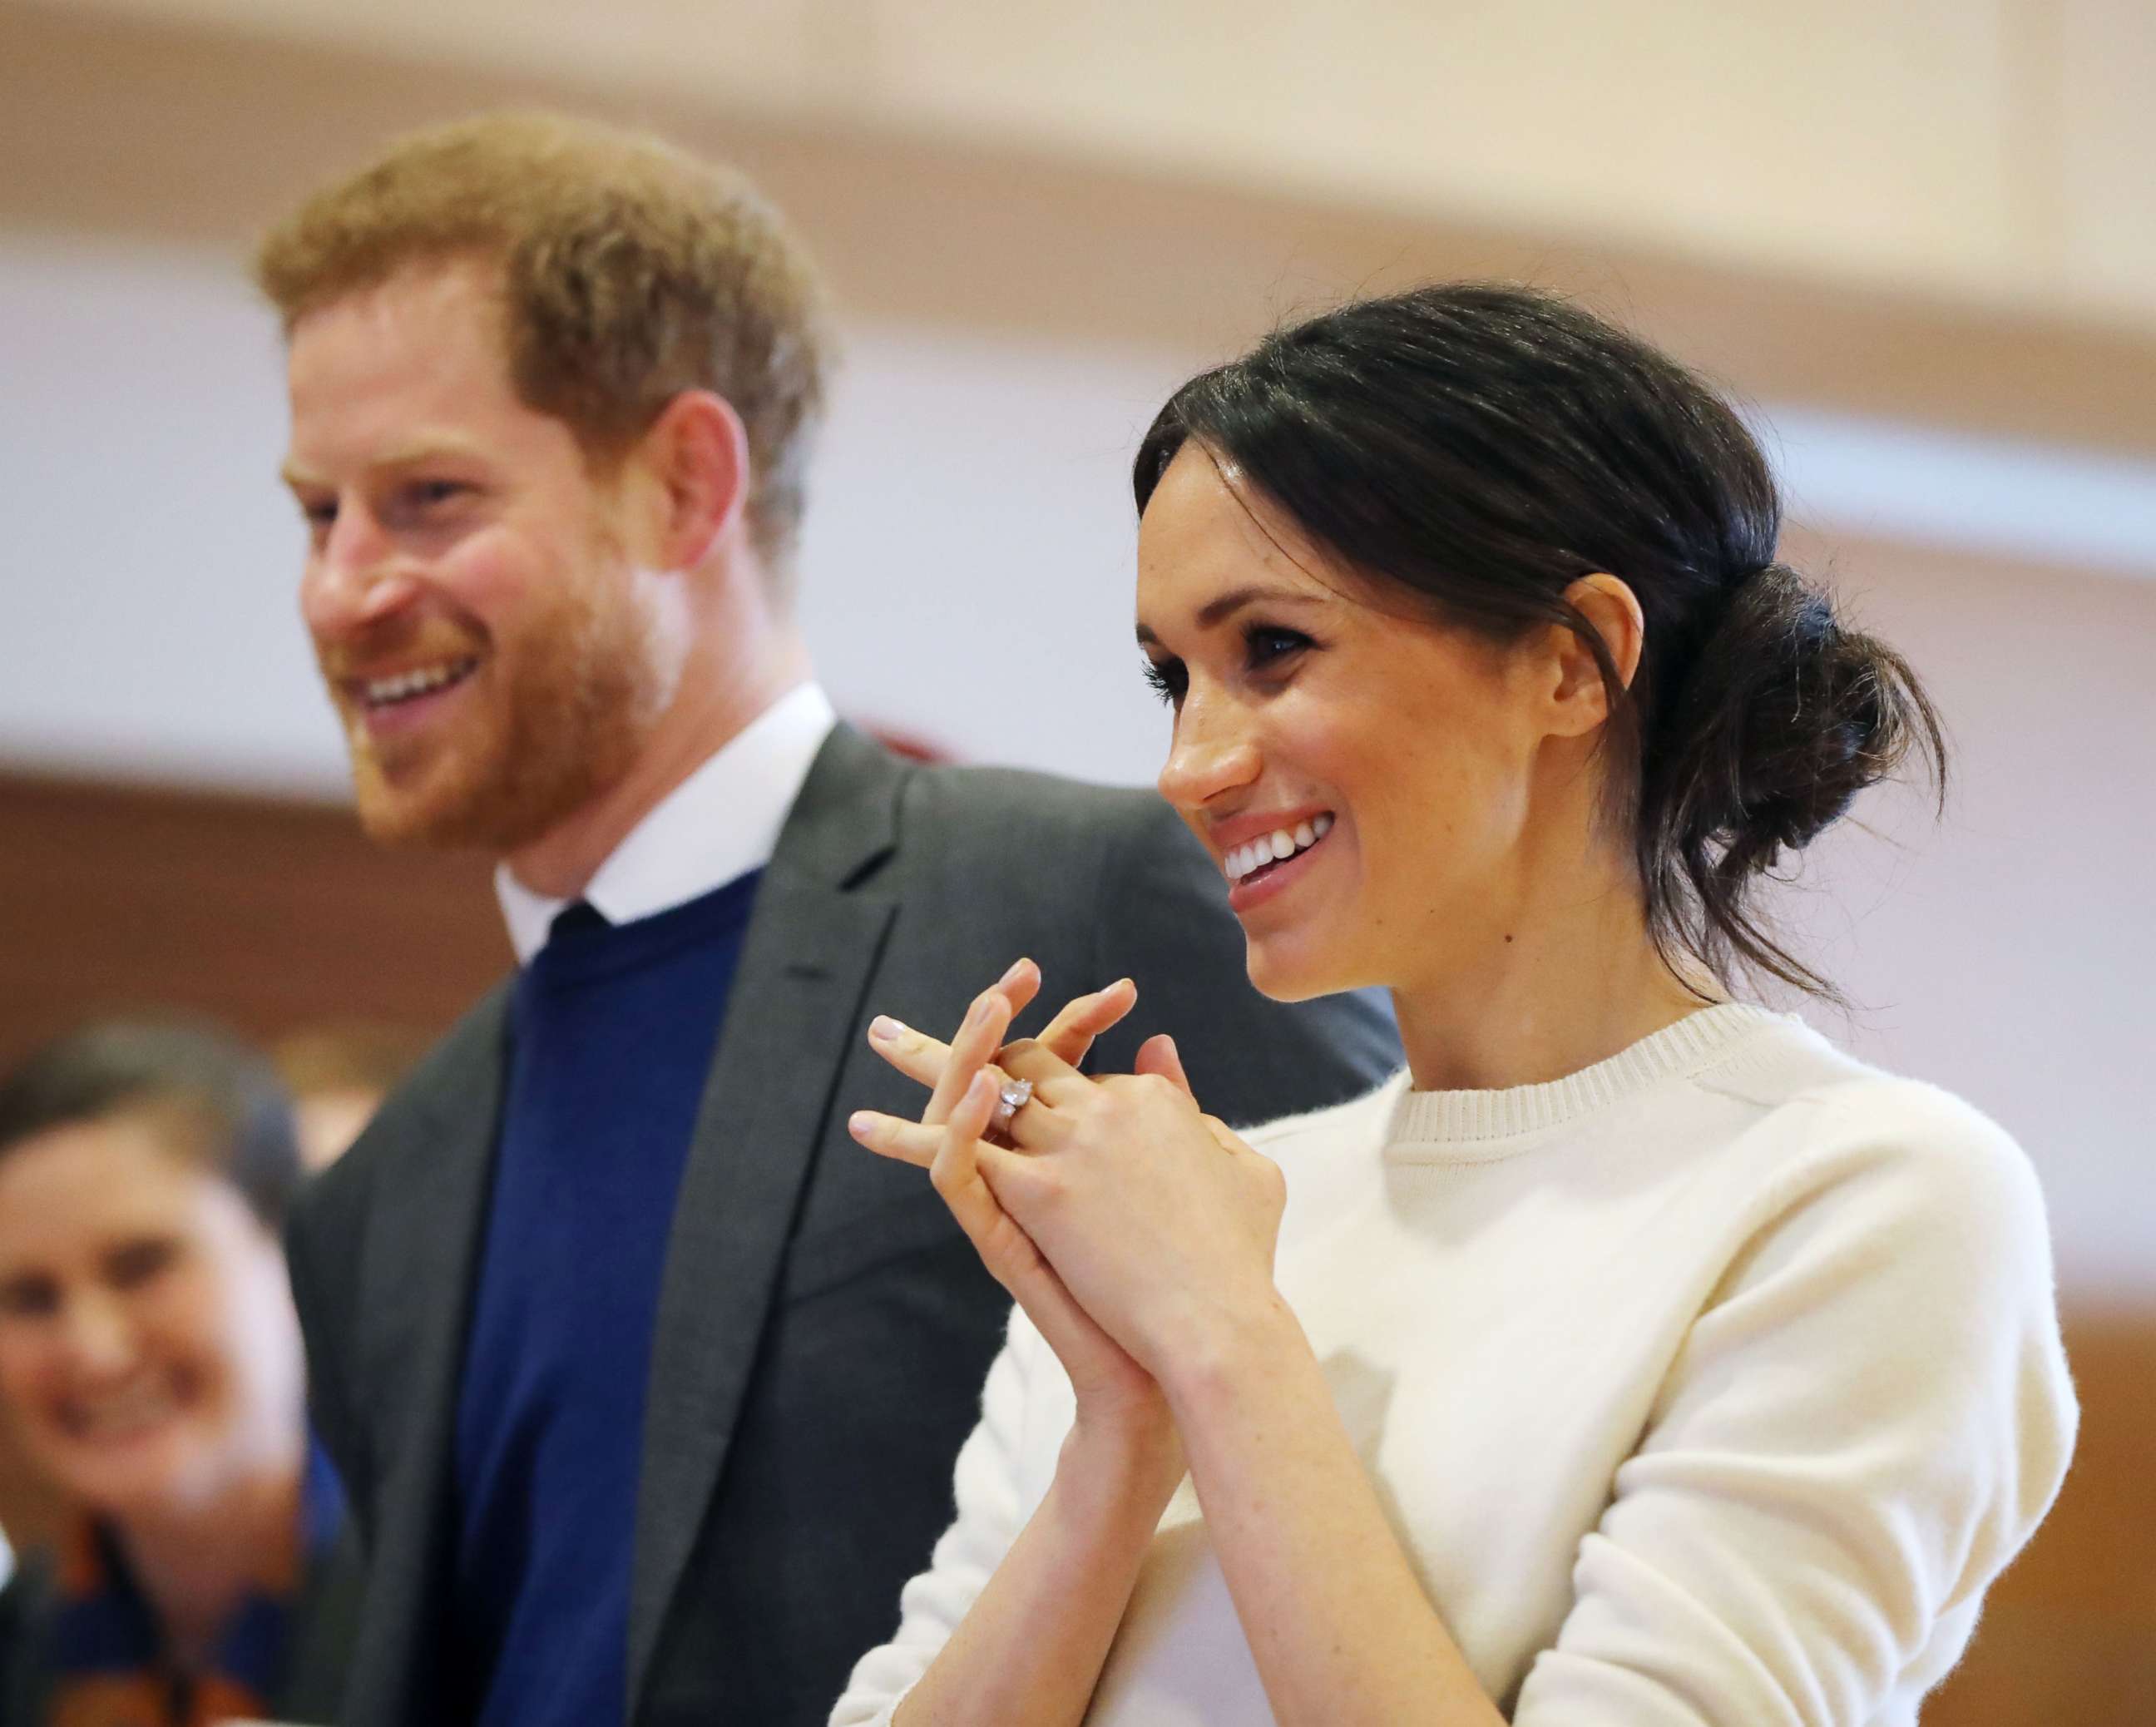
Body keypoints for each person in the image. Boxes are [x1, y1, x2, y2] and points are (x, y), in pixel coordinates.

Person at [255, 111, 1398, 1727]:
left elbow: (1394, 1474)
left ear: (684, 483)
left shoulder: (1089, 903)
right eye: (318, 514)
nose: (342, 590)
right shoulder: (375, 1194)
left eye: (427, 499)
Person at [833, 284, 2079, 1726]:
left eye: (1272, 649)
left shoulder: (1866, 1198)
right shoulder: (1212, 1213)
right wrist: (1122, 1426)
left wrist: (1226, 1341)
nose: (1189, 764)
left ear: (1569, 659)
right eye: (1173, 676)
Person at [0, 1021, 359, 1725]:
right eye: (30, 1298)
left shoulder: (466, 1607)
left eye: (143, 1266)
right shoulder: (18, 1652)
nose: (94, 1350)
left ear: (294, 1256)